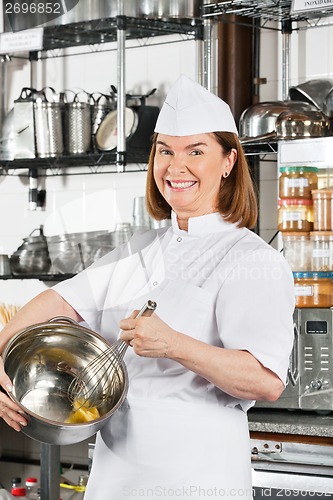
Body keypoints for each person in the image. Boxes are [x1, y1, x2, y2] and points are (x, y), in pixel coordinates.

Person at [0, 75, 295, 499]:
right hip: (116, 477)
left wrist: (174, 344)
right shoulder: (138, 249)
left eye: (196, 151)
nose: (176, 167)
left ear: (229, 161)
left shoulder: (253, 260)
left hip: (197, 477)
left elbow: (265, 381)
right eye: (165, 152)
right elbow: (59, 299)